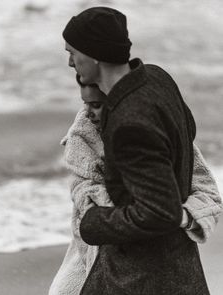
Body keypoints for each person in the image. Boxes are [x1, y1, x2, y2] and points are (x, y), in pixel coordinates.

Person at [61, 6, 220, 294]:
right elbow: (188, 129)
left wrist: (93, 223)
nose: (70, 62)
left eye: (72, 52)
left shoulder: (129, 122)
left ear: (94, 53)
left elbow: (161, 213)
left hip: (141, 273)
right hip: (178, 263)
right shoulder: (157, 78)